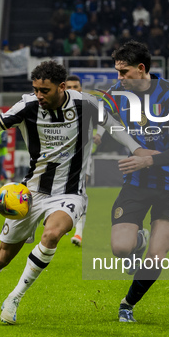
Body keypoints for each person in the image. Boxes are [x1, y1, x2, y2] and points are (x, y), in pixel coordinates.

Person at [0, 60, 153, 324]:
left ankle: (14, 297)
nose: (39, 95)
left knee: (52, 234)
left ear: (61, 87)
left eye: (44, 90)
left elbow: (114, 127)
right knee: (1, 258)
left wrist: (137, 149)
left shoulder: (86, 104)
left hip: (69, 193)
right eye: (35, 89)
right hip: (31, 193)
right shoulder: (27, 106)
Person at [103, 40, 169, 323]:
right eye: (117, 71)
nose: (119, 78)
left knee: (156, 257)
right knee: (121, 248)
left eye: (124, 72)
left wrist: (148, 159)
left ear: (141, 69)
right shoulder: (116, 93)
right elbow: (99, 113)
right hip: (137, 183)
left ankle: (127, 304)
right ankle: (137, 240)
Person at [65, 74, 104, 247]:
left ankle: (79, 233)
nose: (73, 90)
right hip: (60, 157)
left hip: (82, 155)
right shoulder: (57, 106)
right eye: (69, 87)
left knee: (81, 190)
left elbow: (105, 118)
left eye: (75, 87)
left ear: (81, 88)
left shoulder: (88, 104)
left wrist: (98, 134)